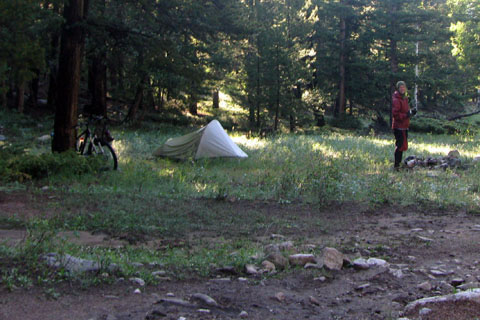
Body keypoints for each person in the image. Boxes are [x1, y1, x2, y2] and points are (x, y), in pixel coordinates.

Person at [392, 81, 417, 169]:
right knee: (399, 146)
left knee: (403, 146)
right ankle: (396, 165)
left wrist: (411, 113)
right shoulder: (396, 99)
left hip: (404, 126)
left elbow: (406, 112)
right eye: (400, 87)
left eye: (403, 87)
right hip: (398, 127)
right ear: (398, 89)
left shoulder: (404, 98)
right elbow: (396, 115)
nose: (402, 89)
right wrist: (407, 115)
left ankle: (398, 164)